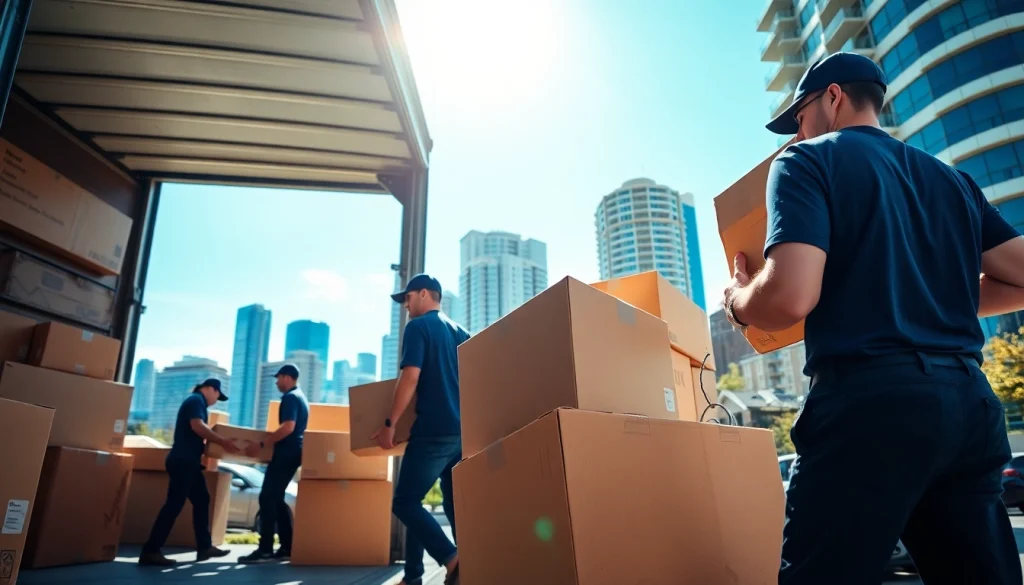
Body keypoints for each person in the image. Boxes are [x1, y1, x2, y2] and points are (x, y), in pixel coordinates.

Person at [723, 51, 1024, 585]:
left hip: (871, 404)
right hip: (968, 405)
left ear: (833, 97)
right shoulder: (953, 181)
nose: (795, 133)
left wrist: (740, 300)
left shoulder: (804, 162)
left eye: (799, 117)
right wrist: (933, 291)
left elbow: (791, 296)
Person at [371, 273, 469, 585]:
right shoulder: (462, 333)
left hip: (433, 430)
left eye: (408, 298)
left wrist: (390, 424)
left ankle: (452, 559)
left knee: (405, 502)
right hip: (461, 432)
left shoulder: (418, 327)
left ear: (424, 294)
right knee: (450, 506)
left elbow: (410, 378)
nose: (406, 306)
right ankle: (416, 574)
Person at [138, 379, 238, 566]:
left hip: (188, 463)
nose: (216, 400)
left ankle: (204, 547)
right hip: (183, 462)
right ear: (210, 389)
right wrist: (222, 441)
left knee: (202, 500)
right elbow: (197, 426)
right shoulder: (196, 401)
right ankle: (151, 550)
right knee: (174, 505)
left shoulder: (196, 402)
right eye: (218, 396)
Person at [239, 363, 309, 563]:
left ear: (287, 377)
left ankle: (265, 550)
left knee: (267, 498)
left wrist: (261, 444)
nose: (277, 382)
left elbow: (288, 427)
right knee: (276, 499)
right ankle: (286, 546)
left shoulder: (290, 398)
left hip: (285, 454)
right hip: (294, 454)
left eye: (278, 378)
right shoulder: (301, 398)